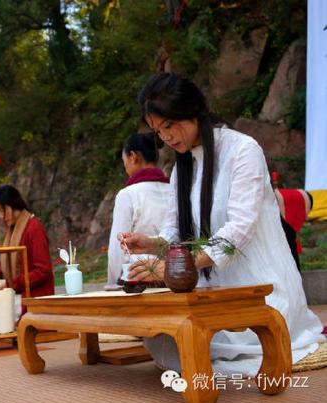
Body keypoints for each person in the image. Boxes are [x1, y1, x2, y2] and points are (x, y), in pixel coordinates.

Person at [119, 73, 324, 376]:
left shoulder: (243, 151)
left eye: (169, 125)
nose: (166, 137)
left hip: (260, 291)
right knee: (163, 339)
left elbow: (238, 231)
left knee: (212, 347)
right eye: (158, 131)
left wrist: (180, 267)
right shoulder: (181, 168)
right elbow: (176, 234)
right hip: (213, 290)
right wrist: (151, 244)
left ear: (193, 111)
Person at [106, 132, 170, 289]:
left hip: (139, 280)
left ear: (133, 156)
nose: (125, 167)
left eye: (124, 161)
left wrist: (113, 283)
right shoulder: (174, 190)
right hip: (173, 276)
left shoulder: (128, 194)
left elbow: (119, 246)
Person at [0, 185, 54, 301]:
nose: (1, 216)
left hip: (36, 300)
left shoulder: (34, 228)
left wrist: (11, 283)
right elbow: (6, 265)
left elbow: (43, 270)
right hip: (19, 298)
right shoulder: (11, 230)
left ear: (11, 205)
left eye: (2, 211)